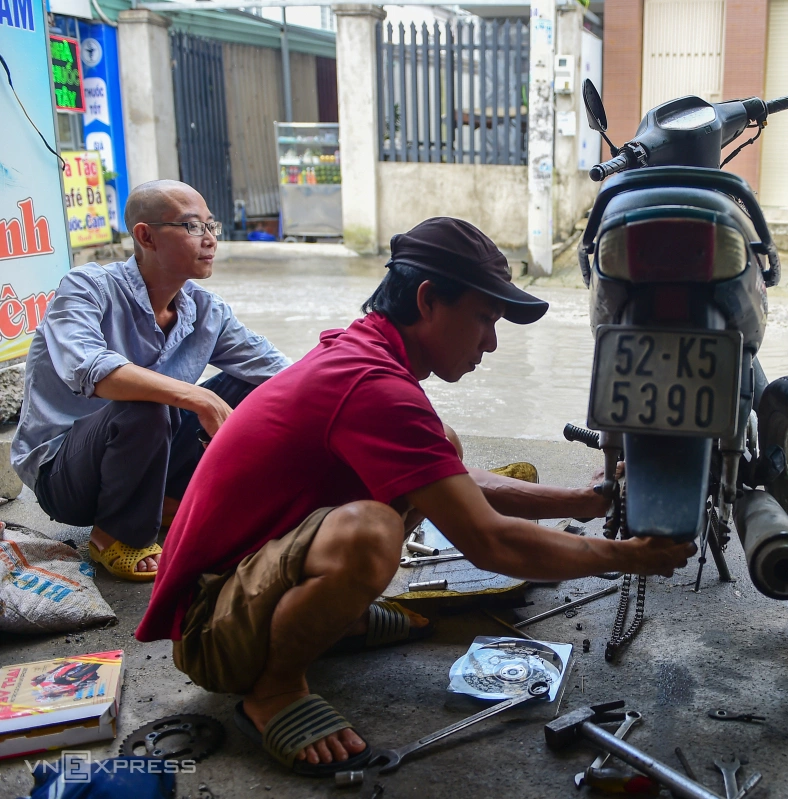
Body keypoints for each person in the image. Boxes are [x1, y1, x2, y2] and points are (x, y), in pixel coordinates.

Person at [134, 217, 696, 777]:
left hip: (246, 584)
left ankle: (334, 616)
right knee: (369, 533)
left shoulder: (368, 356)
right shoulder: (371, 385)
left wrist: (584, 500)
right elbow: (490, 542)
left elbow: (450, 483)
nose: (491, 343)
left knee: (439, 446)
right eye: (483, 319)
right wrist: (627, 559)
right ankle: (274, 689)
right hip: (212, 632)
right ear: (428, 300)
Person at [10, 180, 289, 582]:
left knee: (261, 387)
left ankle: (168, 502)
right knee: (147, 402)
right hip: (67, 475)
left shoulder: (205, 309)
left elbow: (281, 370)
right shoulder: (86, 288)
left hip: (154, 450)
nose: (210, 240)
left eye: (213, 227)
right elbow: (93, 370)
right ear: (146, 236)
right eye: (193, 227)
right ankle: (116, 533)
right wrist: (199, 399)